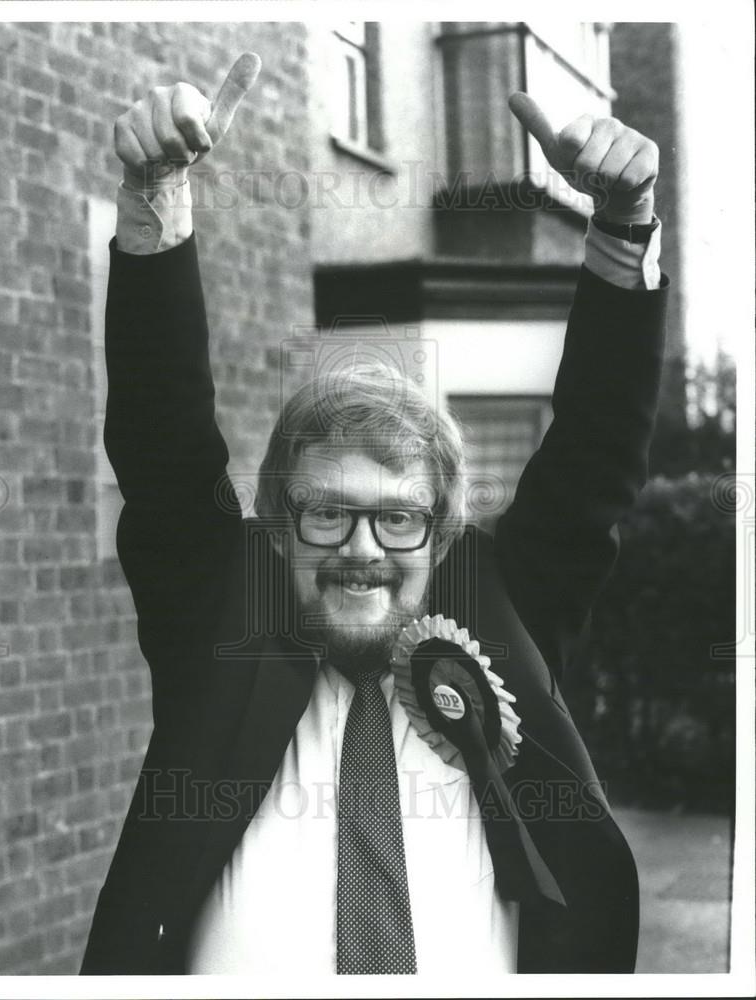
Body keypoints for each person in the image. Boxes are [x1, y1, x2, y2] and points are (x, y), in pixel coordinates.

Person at [81, 52, 667, 976]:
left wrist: (622, 233)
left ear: (441, 533)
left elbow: (597, 457)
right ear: (277, 524)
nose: (363, 550)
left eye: (399, 519)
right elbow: (164, 450)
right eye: (327, 514)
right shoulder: (224, 621)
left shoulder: (502, 615)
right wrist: (154, 199)